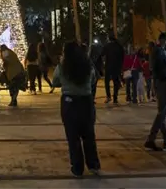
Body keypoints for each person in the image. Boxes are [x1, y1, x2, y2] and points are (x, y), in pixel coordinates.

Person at [53, 41, 101, 178]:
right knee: (89, 135)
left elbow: (55, 82)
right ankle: (93, 165)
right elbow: (93, 80)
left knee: (73, 137)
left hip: (69, 103)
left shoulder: (62, 66)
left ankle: (77, 168)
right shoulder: (87, 64)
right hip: (86, 101)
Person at [144, 32, 166, 151]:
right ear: (164, 40)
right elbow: (160, 69)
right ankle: (151, 139)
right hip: (162, 83)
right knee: (162, 112)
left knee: (162, 111)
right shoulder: (158, 51)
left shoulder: (156, 51)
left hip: (159, 82)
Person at [102, 33, 124, 104]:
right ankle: (115, 97)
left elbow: (102, 54)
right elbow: (122, 57)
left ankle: (108, 97)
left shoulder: (107, 46)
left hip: (108, 66)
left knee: (106, 82)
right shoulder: (119, 46)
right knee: (115, 82)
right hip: (117, 67)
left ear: (109, 39)